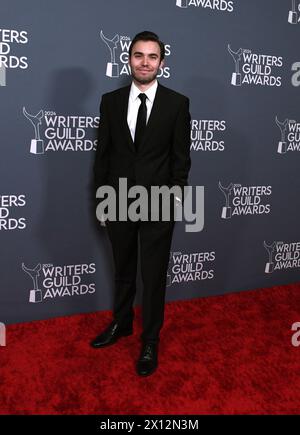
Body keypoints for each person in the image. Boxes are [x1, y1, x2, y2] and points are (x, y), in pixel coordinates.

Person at [91, 31, 191, 377]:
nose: (145, 62)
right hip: (117, 199)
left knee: (153, 276)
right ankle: (121, 324)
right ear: (128, 59)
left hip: (159, 202)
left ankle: (150, 340)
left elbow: (181, 159)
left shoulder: (177, 103)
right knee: (123, 271)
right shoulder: (110, 101)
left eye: (152, 56)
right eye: (138, 55)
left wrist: (175, 197)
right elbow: (102, 155)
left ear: (162, 63)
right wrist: (102, 200)